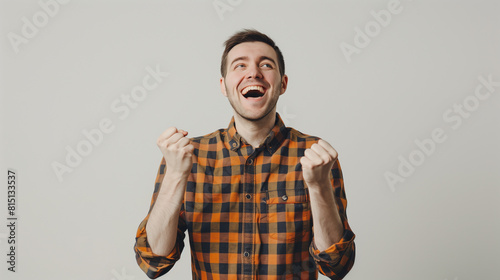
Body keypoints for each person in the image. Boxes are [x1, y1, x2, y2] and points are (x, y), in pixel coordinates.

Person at [134, 29, 355, 280]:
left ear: (282, 84)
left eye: (266, 64)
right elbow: (153, 262)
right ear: (224, 86)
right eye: (240, 65)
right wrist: (175, 175)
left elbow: (338, 266)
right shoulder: (186, 158)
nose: (253, 73)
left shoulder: (316, 157)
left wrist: (318, 187)